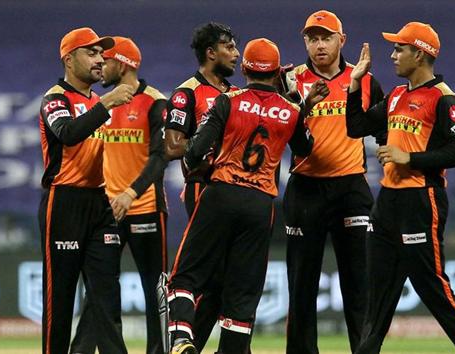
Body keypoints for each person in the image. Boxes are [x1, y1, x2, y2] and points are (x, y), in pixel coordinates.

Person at [166, 38, 329, 354]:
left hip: (220, 195)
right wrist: (302, 109)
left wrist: (196, 168)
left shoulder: (227, 100)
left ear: (244, 69)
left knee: (183, 278)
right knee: (242, 295)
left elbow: (195, 152)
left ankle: (183, 338)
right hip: (259, 205)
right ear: (277, 72)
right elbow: (306, 149)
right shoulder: (291, 111)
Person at [345, 22, 455, 354]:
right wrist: (355, 84)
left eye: (400, 49)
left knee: (434, 289)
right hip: (388, 203)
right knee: (377, 295)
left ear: (420, 54)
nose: (393, 55)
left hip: (421, 200)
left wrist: (407, 156)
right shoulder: (397, 96)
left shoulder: (444, 98)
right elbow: (356, 127)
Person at [282, 10, 385, 353]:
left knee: (359, 286)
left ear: (342, 41)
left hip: (351, 188)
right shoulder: (291, 80)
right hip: (306, 189)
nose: (319, 45)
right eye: (312, 38)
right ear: (305, 42)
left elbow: (386, 130)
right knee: (301, 288)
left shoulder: (365, 81)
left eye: (326, 37)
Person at [69, 36, 169, 354]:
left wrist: (130, 193)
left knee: (156, 292)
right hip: (106, 213)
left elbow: (160, 158)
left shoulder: (154, 102)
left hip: (145, 209)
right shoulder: (102, 104)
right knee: (97, 293)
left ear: (123, 64)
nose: (100, 65)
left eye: (106, 59)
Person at [38, 27, 134, 354]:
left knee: (105, 298)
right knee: (61, 299)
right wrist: (107, 103)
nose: (99, 59)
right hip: (63, 202)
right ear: (68, 59)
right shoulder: (56, 98)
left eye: (101, 53)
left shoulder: (94, 101)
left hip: (100, 202)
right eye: (90, 52)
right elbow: (67, 133)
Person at [163, 22, 241, 352]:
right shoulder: (187, 94)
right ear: (211, 53)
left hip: (238, 190)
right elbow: (171, 146)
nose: (236, 54)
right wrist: (212, 142)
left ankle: (188, 342)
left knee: (223, 281)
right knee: (201, 274)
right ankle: (181, 337)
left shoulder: (234, 94)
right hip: (204, 188)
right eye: (230, 47)